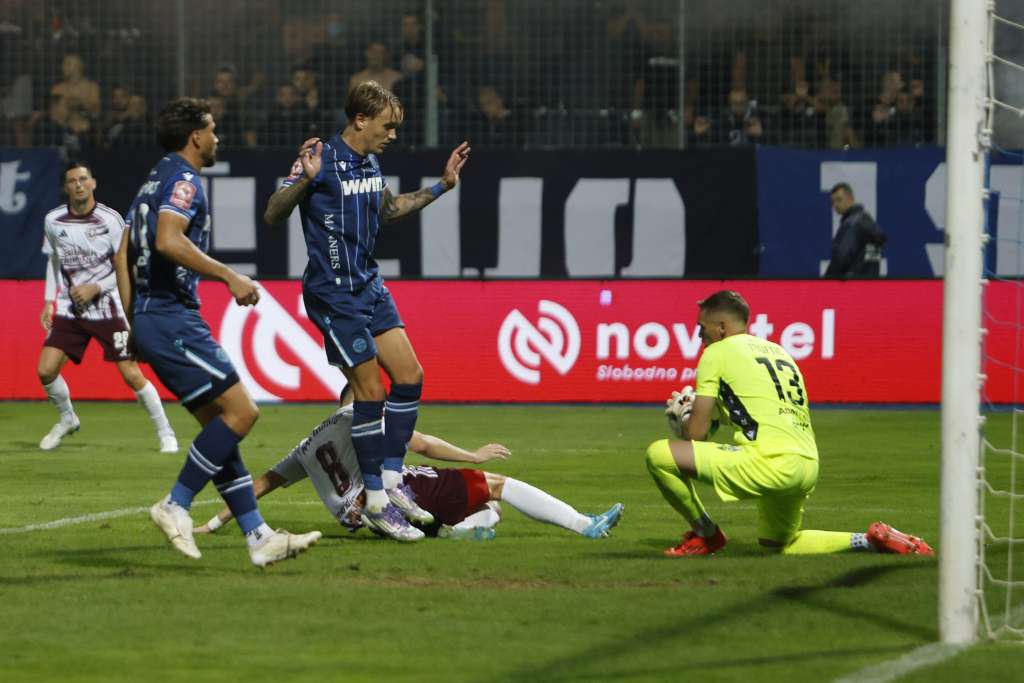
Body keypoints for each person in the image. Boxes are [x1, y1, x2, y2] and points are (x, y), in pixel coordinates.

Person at [115, 98, 320, 567]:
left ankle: (258, 536)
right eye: (212, 130)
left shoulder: (152, 180)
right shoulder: (184, 181)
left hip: (152, 317)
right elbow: (168, 239)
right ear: (196, 136)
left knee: (220, 428)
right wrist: (229, 275)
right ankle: (176, 504)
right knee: (243, 412)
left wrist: (133, 319)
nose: (217, 138)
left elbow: (123, 252)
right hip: (172, 317)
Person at [263, 80, 470, 542]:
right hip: (334, 295)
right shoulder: (318, 158)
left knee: (410, 375)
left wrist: (442, 185)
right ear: (360, 120)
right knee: (370, 391)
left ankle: (392, 483)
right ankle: (375, 502)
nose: (392, 135)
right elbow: (273, 213)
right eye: (387, 126)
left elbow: (390, 209)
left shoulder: (371, 163)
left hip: (370, 286)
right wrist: (306, 179)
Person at [645, 290, 933, 557]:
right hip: (806, 464)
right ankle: (870, 540)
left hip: (769, 463)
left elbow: (695, 436)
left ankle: (706, 535)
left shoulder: (716, 353)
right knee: (781, 544)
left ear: (721, 327)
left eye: (701, 327)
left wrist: (686, 417)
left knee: (659, 455)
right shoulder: (779, 352)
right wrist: (713, 416)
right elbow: (756, 412)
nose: (699, 336)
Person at [195, 387, 624, 541]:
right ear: (356, 397)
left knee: (489, 511)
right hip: (389, 497)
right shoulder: (359, 416)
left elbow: (261, 484)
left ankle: (456, 531)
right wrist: (472, 455)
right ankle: (584, 525)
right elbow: (423, 444)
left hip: (367, 515)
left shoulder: (306, 445)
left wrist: (213, 524)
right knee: (497, 483)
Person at [37, 162, 177, 454]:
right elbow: (54, 261)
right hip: (71, 309)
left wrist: (96, 287)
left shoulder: (111, 220)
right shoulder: (53, 220)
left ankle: (166, 432)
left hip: (107, 306)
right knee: (46, 371)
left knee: (131, 374)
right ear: (66, 187)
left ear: (93, 183)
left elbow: (124, 266)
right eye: (72, 180)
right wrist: (50, 300)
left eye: (83, 179)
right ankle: (67, 418)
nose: (78, 184)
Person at [824, 183, 887, 278]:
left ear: (851, 199)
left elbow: (841, 259)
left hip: (850, 284)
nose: (835, 205)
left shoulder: (851, 225)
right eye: (833, 202)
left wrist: (826, 281)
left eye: (839, 200)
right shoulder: (867, 221)